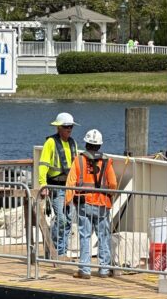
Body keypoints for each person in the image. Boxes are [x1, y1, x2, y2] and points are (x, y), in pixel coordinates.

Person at [66, 129, 118, 279]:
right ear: (99, 146)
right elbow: (113, 183)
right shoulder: (107, 162)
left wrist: (67, 202)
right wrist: (110, 195)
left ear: (86, 143)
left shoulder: (78, 160)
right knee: (104, 236)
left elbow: (70, 182)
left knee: (85, 236)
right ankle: (104, 270)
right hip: (102, 203)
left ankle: (85, 270)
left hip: (84, 203)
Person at [38, 112, 77, 258]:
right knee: (60, 219)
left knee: (67, 221)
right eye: (66, 126)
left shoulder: (73, 143)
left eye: (71, 127)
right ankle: (53, 251)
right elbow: (43, 165)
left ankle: (61, 252)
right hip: (55, 186)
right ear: (58, 127)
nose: (69, 129)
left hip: (69, 187)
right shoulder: (51, 143)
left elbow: (76, 166)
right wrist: (43, 185)